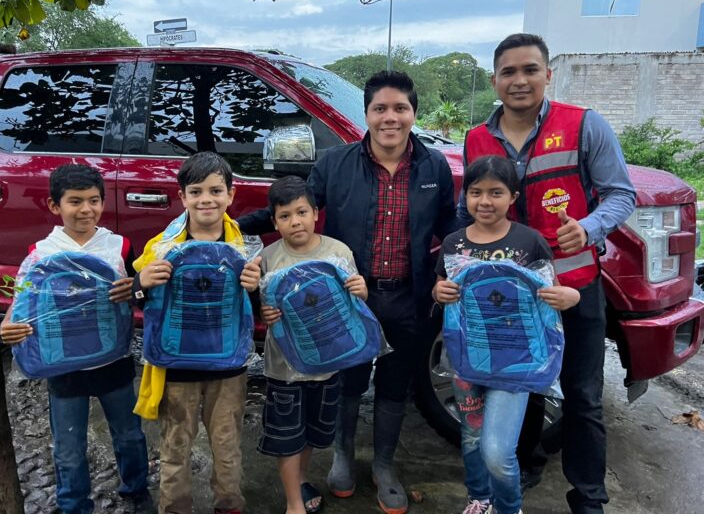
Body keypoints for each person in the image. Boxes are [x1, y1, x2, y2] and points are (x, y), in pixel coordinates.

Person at [240, 70, 456, 514]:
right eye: (381, 108)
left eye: (400, 108)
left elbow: (449, 227)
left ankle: (383, 466)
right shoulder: (334, 164)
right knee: (348, 380)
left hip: (408, 297)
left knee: (396, 385)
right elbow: (290, 211)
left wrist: (480, 254)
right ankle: (342, 457)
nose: (390, 117)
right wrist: (229, 227)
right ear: (367, 114)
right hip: (345, 298)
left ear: (414, 113)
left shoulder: (434, 166)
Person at [461, 33, 636, 514]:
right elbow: (469, 211)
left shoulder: (584, 125)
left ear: (547, 74)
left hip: (575, 287)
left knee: (583, 398)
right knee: (522, 387)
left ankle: (589, 499)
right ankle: (526, 465)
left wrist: (590, 226)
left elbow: (621, 194)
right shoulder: (477, 137)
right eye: (509, 72)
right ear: (495, 79)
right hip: (511, 293)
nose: (519, 81)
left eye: (530, 70)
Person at [0, 163, 152, 514]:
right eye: (75, 201)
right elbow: (22, 305)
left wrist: (134, 290)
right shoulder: (41, 254)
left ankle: (137, 490)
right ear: (55, 206)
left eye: (94, 200)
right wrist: (7, 327)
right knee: (68, 447)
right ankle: (73, 505)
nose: (86, 209)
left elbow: (140, 294)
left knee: (129, 436)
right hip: (63, 368)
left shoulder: (120, 246)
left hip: (113, 360)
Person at [433, 155, 581, 514]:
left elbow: (554, 292)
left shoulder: (530, 242)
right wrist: (439, 293)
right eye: (476, 192)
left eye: (496, 192)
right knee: (471, 438)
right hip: (468, 361)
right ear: (465, 196)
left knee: (498, 452)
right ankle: (478, 498)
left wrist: (570, 297)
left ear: (513, 197)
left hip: (515, 364)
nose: (485, 201)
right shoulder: (453, 244)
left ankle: (508, 507)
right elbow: (441, 286)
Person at [131, 151, 261, 514]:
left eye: (216, 190)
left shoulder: (244, 248)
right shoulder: (161, 247)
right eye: (197, 191)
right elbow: (136, 298)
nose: (207, 199)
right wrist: (141, 282)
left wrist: (254, 285)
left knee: (227, 443)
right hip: (178, 368)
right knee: (175, 446)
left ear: (231, 195)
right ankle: (175, 508)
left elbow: (258, 306)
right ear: (182, 197)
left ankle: (229, 505)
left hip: (228, 368)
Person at [257, 175, 368, 514]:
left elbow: (353, 306)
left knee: (314, 434)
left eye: (301, 212)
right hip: (284, 368)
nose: (295, 222)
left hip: (327, 365)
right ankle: (294, 504)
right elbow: (262, 307)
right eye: (285, 216)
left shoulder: (338, 252)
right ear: (274, 221)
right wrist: (265, 312)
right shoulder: (267, 257)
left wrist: (361, 292)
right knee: (287, 437)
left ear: (316, 213)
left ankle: (300, 481)